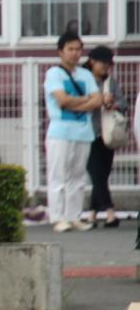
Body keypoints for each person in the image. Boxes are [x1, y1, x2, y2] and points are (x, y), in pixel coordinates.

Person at [44, 32, 101, 233]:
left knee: (78, 176)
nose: (75, 53)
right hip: (60, 132)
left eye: (78, 49)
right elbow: (62, 100)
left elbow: (98, 100)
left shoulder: (86, 74)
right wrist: (85, 101)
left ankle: (74, 216)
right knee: (58, 175)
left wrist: (74, 102)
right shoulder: (54, 74)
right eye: (70, 49)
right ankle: (58, 217)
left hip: (83, 133)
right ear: (61, 51)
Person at [85, 46, 121, 228]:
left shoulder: (111, 83)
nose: (106, 67)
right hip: (88, 133)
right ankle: (110, 213)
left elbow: (124, 103)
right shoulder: (83, 80)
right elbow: (81, 103)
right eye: (103, 63)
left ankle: (92, 215)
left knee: (102, 174)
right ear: (92, 61)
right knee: (96, 173)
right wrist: (99, 100)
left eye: (108, 64)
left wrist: (113, 103)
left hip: (107, 134)